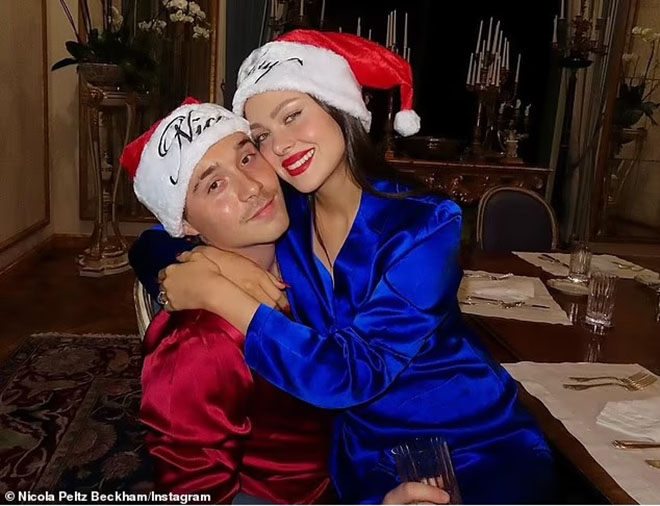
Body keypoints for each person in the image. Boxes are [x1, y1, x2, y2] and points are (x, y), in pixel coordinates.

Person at [136, 32, 555, 504]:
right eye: (262, 137)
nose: (282, 145)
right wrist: (205, 260)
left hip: (471, 441)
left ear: (338, 105)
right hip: (363, 457)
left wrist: (218, 293)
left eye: (293, 115)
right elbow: (153, 241)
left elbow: (354, 371)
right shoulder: (285, 216)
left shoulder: (425, 226)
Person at [121, 100, 333, 504]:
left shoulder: (303, 250)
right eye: (214, 185)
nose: (252, 188)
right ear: (184, 223)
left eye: (248, 158)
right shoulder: (201, 344)